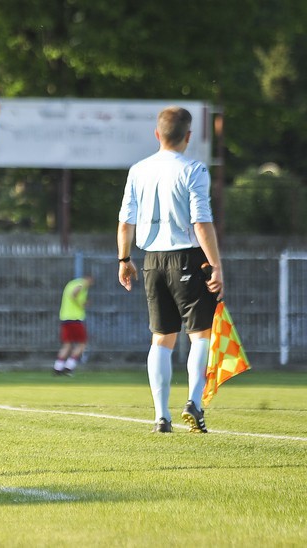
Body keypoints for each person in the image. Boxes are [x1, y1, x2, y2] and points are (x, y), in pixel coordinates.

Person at [117, 106, 223, 434]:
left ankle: (161, 416)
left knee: (161, 339)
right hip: (187, 258)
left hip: (152, 261)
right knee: (201, 334)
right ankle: (194, 402)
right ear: (188, 136)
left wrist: (124, 259)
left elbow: (125, 222)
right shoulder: (194, 169)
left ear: (157, 134)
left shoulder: (138, 169)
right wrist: (216, 265)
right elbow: (201, 222)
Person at [54, 275, 94, 376]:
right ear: (89, 279)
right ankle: (69, 367)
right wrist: (81, 303)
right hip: (75, 319)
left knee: (67, 345)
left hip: (65, 318)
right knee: (82, 344)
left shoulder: (71, 283)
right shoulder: (82, 283)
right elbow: (74, 293)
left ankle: (57, 368)